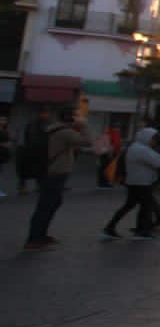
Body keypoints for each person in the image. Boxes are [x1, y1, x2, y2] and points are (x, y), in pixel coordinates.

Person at [25, 108, 89, 251]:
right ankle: (34, 239)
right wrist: (84, 125)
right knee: (46, 205)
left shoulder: (53, 128)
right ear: (71, 118)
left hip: (51, 172)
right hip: (55, 173)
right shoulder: (65, 132)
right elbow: (88, 141)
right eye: (77, 116)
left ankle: (40, 235)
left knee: (52, 203)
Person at [102, 127, 160, 240]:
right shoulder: (143, 150)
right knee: (145, 206)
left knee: (130, 206)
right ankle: (141, 231)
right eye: (153, 139)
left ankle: (110, 227)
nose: (154, 142)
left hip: (133, 181)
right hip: (142, 182)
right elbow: (158, 162)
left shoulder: (133, 147)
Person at [17, 106, 52, 196]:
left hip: (36, 149)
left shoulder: (45, 123)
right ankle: (23, 187)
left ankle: (38, 186)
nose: (47, 115)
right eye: (46, 113)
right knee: (27, 170)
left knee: (39, 170)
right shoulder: (35, 123)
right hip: (33, 149)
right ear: (41, 113)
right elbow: (33, 137)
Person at [0, 115, 11, 199]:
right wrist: (4, 144)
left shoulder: (4, 130)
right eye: (2, 120)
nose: (4, 121)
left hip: (3, 154)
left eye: (5, 120)